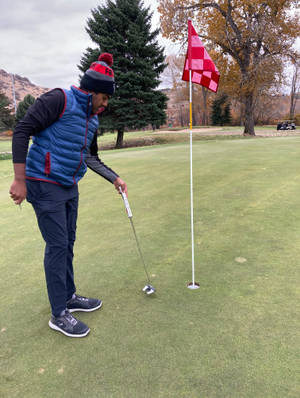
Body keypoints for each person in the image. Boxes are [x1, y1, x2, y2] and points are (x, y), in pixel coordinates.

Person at [9, 53, 127, 338]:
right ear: (94, 92)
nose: (106, 104)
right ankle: (58, 313)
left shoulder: (92, 121)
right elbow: (22, 131)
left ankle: (69, 297)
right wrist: (19, 180)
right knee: (58, 245)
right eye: (104, 98)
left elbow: (90, 157)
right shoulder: (58, 100)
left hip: (68, 185)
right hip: (42, 182)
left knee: (68, 242)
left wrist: (115, 178)